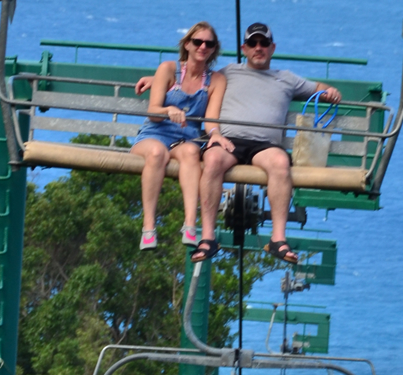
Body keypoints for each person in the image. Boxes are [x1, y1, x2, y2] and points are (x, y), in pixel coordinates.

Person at [137, 22, 341, 263]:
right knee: (212, 159)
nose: (258, 48)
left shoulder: (286, 79)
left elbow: (318, 88)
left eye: (264, 43)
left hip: (264, 145)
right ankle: (208, 237)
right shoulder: (229, 73)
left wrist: (330, 91)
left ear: (272, 48)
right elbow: (194, 71)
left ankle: (278, 239)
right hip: (229, 141)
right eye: (253, 43)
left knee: (279, 163)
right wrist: (158, 78)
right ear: (244, 48)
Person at [130, 22, 227, 251]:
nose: (203, 47)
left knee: (193, 152)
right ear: (187, 44)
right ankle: (148, 228)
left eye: (209, 44)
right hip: (155, 133)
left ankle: (190, 225)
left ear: (214, 49)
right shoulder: (168, 70)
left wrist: (216, 134)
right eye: (197, 42)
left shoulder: (215, 81)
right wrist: (168, 111)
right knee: (157, 153)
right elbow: (153, 112)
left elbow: (210, 119)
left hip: (186, 139)